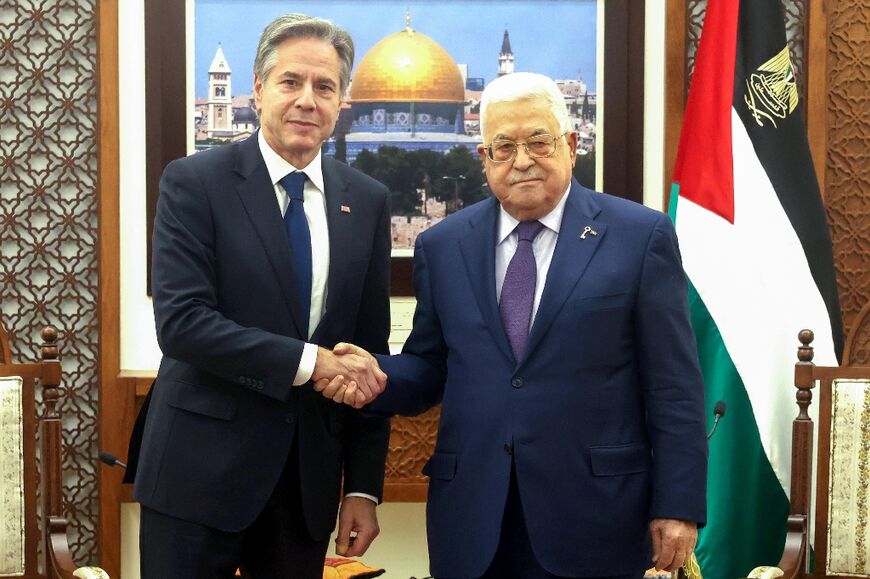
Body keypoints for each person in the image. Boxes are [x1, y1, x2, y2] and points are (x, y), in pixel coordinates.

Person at [317, 72, 708, 579]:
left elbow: (674, 386)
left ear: (570, 145)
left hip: (598, 515)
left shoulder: (638, 235)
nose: (522, 160)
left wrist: (678, 505)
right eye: (503, 147)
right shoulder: (443, 245)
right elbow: (432, 366)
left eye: (538, 141)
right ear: (485, 160)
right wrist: (377, 377)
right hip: (474, 517)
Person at [132, 13, 390, 579]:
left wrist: (365, 488)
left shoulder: (366, 200)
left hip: (306, 488)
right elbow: (182, 324)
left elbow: (368, 351)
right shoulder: (194, 181)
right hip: (196, 477)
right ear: (257, 89)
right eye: (290, 82)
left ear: (341, 101)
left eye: (324, 87)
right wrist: (311, 362)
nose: (307, 100)